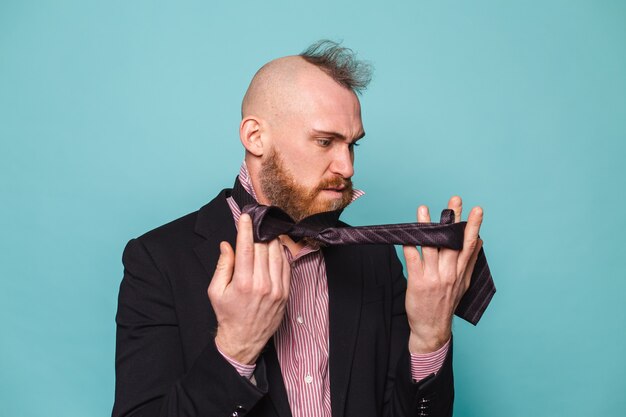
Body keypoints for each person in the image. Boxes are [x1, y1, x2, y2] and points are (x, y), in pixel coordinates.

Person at [113, 40, 484, 417]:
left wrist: (430, 337)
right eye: (325, 141)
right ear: (255, 137)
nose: (347, 167)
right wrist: (236, 349)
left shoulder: (373, 257)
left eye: (351, 145)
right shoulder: (158, 261)